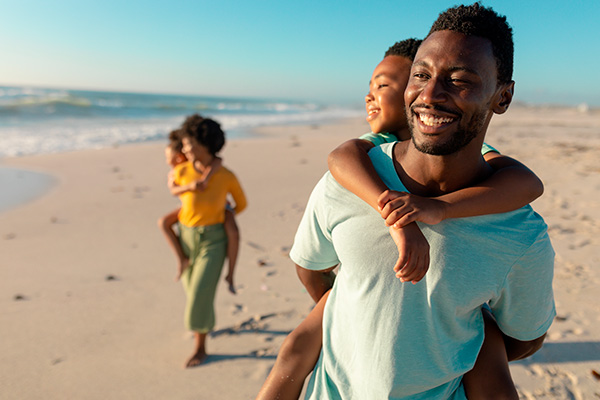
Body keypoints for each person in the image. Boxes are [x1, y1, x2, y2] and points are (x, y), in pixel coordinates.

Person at [284, 4, 555, 398]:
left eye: (459, 80)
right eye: (421, 75)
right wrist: (352, 315)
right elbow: (311, 270)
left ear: (503, 96)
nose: (430, 95)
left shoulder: (518, 231)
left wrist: (465, 345)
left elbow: (526, 338)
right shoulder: (348, 179)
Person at [172, 114, 247, 367]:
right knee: (193, 291)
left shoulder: (225, 176)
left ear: (203, 143)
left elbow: (242, 203)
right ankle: (202, 326)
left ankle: (200, 348)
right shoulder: (181, 171)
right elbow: (175, 192)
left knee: (199, 295)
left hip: (213, 241)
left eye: (188, 143)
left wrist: (227, 212)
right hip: (185, 238)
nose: (184, 148)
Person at [158, 130, 241, 292]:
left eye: (173, 159)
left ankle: (230, 274)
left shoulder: (200, 166)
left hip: (217, 211)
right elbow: (174, 190)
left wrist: (207, 180)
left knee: (233, 232)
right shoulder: (179, 171)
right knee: (163, 222)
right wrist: (192, 186)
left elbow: (217, 160)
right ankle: (181, 259)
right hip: (188, 212)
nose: (172, 162)